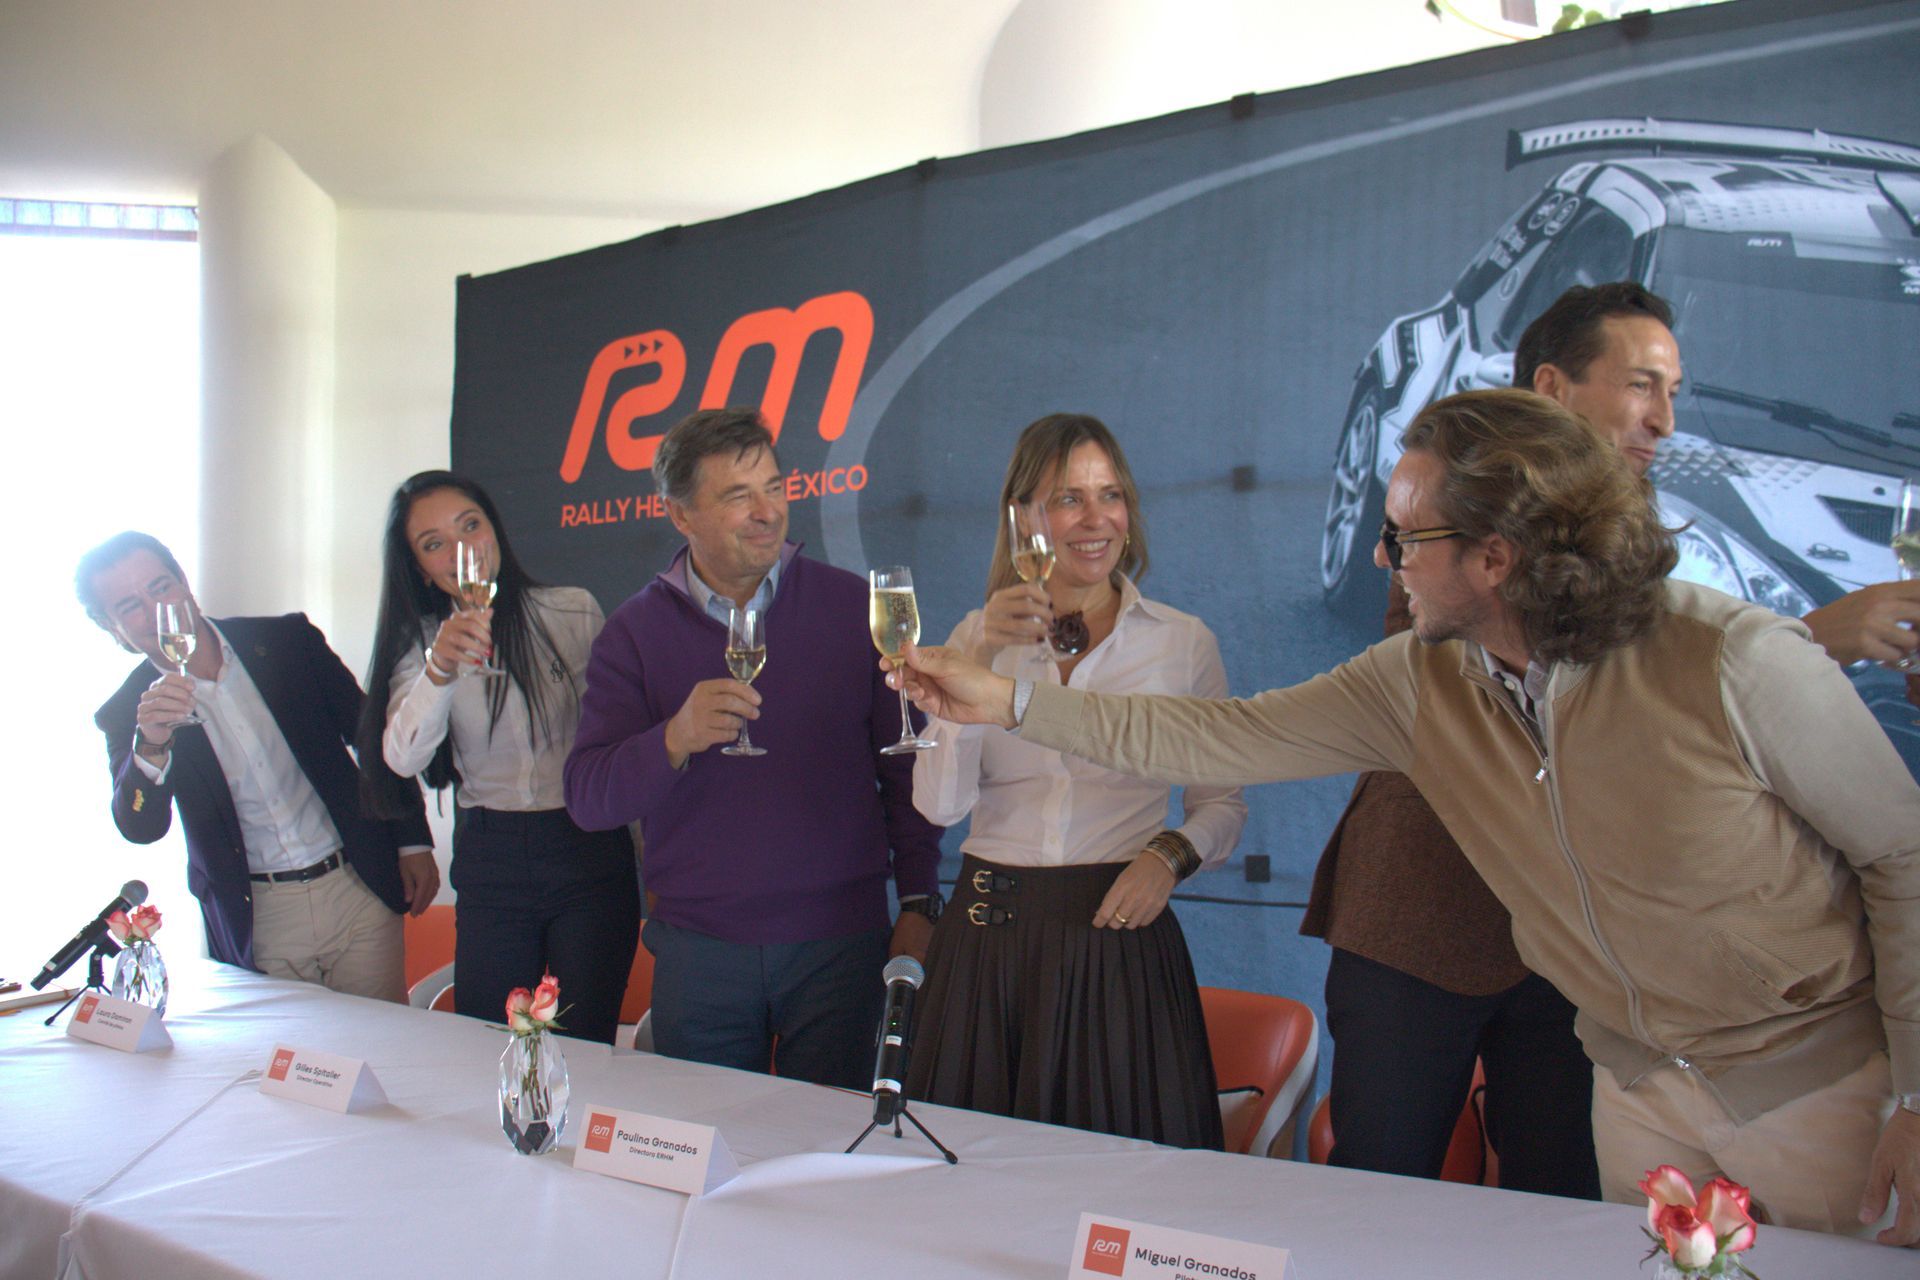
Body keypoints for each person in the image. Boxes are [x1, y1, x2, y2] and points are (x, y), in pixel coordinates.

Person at [890, 389, 1920, 1247]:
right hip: (1638, 1086)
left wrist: (1916, 1098)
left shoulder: (1733, 658)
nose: (1380, 558)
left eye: (1406, 535)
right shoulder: (1418, 679)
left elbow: (1905, 855)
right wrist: (1009, 698)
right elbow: (1223, 739)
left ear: (1498, 556)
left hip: (1810, 1090)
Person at [1310, 281, 1920, 1196]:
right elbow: (1484, 648)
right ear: (1553, 389)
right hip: (1428, 916)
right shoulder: (1456, 488)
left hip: (1592, 962)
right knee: (1376, 1191)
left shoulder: (1659, 522)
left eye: (1673, 390)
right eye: (1641, 385)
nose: (1663, 420)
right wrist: (1817, 635)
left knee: (1567, 1209)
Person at [562, 407, 942, 1087]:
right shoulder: (632, 633)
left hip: (840, 944)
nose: (767, 511)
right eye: (738, 496)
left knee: (827, 1155)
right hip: (698, 953)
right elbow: (589, 798)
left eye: (775, 486)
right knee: (702, 1153)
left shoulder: (854, 608)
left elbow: (906, 768)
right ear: (681, 516)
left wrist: (917, 901)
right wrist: (672, 741)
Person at [907, 414, 1246, 1148]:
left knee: (1123, 1192)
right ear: (1024, 516)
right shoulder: (974, 634)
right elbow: (938, 805)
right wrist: (984, 656)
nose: (1097, 519)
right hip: (984, 944)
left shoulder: (1182, 642)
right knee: (972, 1192)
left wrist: (1170, 856)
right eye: (1069, 498)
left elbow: (1222, 804)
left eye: (1112, 495)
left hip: (1116, 939)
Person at [82, 531, 436, 1000]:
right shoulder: (128, 710)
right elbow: (140, 827)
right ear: (112, 628)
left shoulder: (287, 641)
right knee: (286, 1066)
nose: (155, 612)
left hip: (355, 886)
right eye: (130, 606)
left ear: (184, 582)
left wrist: (411, 841)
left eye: (161, 587)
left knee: (386, 1052)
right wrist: (150, 743)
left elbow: (373, 738)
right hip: (258, 913)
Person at [356, 472, 639, 1043]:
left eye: (470, 527)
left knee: (586, 1041)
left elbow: (614, 740)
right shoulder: (422, 644)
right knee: (488, 1039)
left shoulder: (571, 611)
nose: (462, 553)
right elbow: (403, 757)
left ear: (494, 531)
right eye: (434, 543)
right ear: (419, 567)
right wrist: (441, 668)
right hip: (493, 853)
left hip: (584, 843)